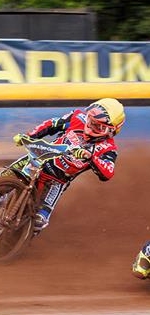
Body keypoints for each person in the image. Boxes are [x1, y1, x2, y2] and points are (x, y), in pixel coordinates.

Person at [12, 98, 124, 233]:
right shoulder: (77, 117)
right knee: (4, 177)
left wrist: (91, 157)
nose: (91, 126)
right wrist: (30, 136)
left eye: (98, 126)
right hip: (39, 159)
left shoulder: (108, 149)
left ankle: (19, 242)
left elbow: (108, 173)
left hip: (56, 182)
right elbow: (52, 124)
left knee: (39, 221)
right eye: (91, 121)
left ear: (112, 131)